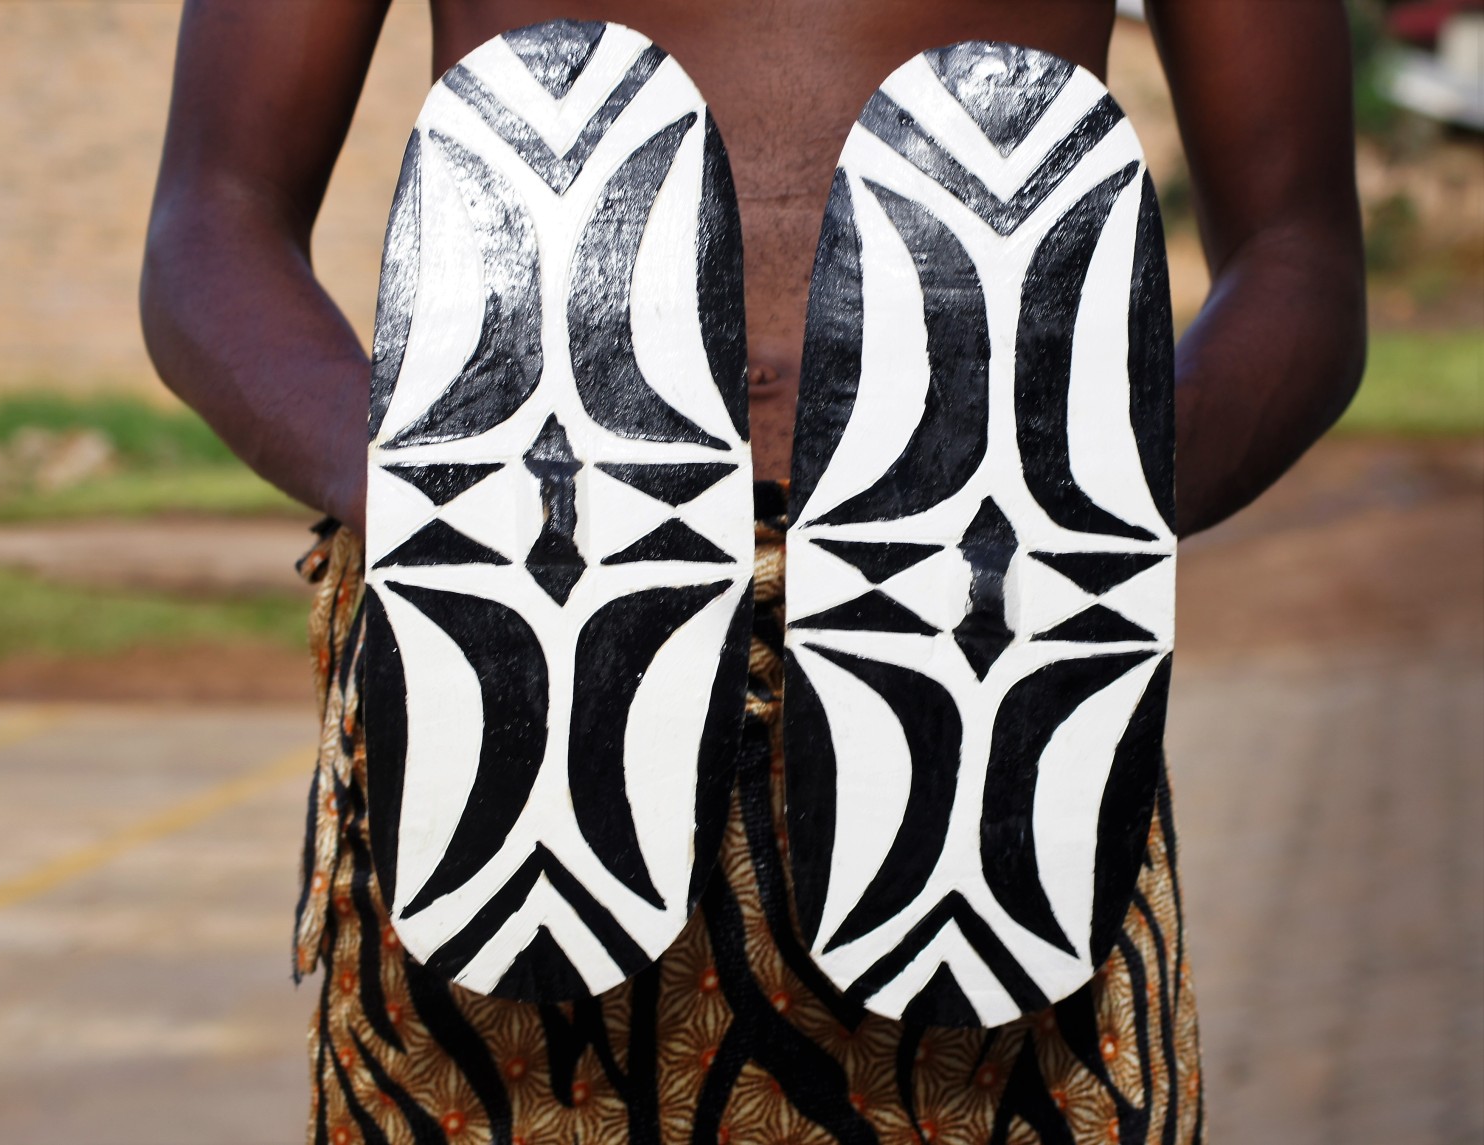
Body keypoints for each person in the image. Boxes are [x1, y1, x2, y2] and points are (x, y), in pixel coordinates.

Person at [141, 2, 1366, 1141]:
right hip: (517, 672)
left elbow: (1297, 255)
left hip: (985, 685)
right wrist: (431, 499)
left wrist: (1080, 520)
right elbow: (216, 217)